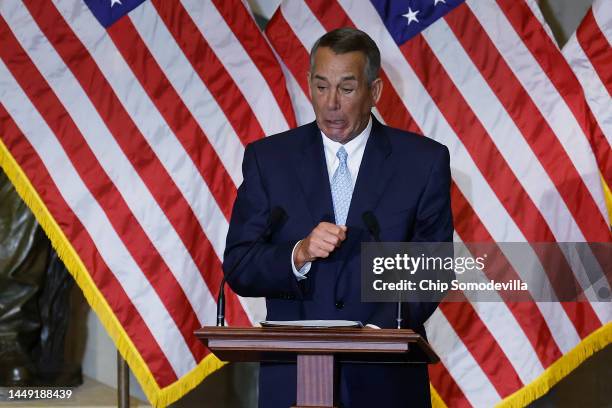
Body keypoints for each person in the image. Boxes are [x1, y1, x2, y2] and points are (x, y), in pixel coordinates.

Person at [223, 28, 453, 408]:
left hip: (386, 375)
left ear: (374, 93)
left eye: (346, 89)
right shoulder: (269, 160)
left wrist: (379, 333)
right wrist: (297, 253)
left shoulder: (422, 162)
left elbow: (432, 267)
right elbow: (240, 264)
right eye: (321, 86)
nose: (331, 103)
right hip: (293, 375)